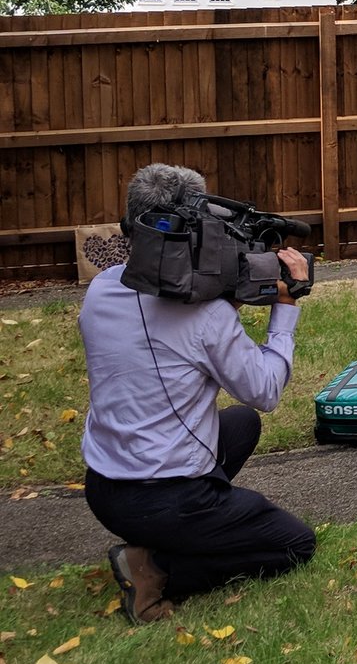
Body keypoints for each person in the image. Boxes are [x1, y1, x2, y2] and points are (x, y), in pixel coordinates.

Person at [79, 163, 316, 623]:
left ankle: (178, 536)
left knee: (241, 424)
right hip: (165, 497)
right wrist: (285, 304)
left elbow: (162, 342)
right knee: (295, 544)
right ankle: (157, 569)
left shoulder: (100, 290)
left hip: (104, 488)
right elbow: (264, 390)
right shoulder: (207, 318)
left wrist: (223, 298)